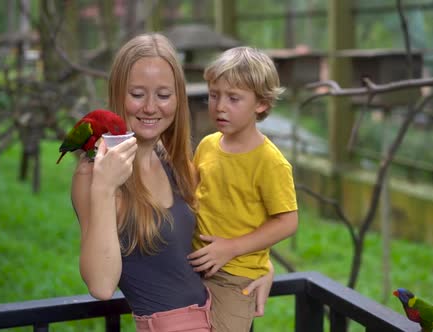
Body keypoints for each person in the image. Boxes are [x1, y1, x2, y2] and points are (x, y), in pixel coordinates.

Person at [70, 34, 272, 332]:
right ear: (117, 94)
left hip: (217, 316)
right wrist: (104, 188)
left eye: (163, 95)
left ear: (178, 99)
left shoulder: (174, 163)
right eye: (138, 94)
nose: (151, 107)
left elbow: (219, 229)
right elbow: (101, 286)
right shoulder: (93, 174)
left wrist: (261, 266)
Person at [188, 46, 299, 332]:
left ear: (260, 104)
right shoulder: (207, 145)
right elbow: (191, 194)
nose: (219, 106)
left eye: (233, 98)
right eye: (214, 95)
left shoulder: (270, 162)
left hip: (237, 276)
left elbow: (288, 222)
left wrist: (231, 248)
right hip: (193, 264)